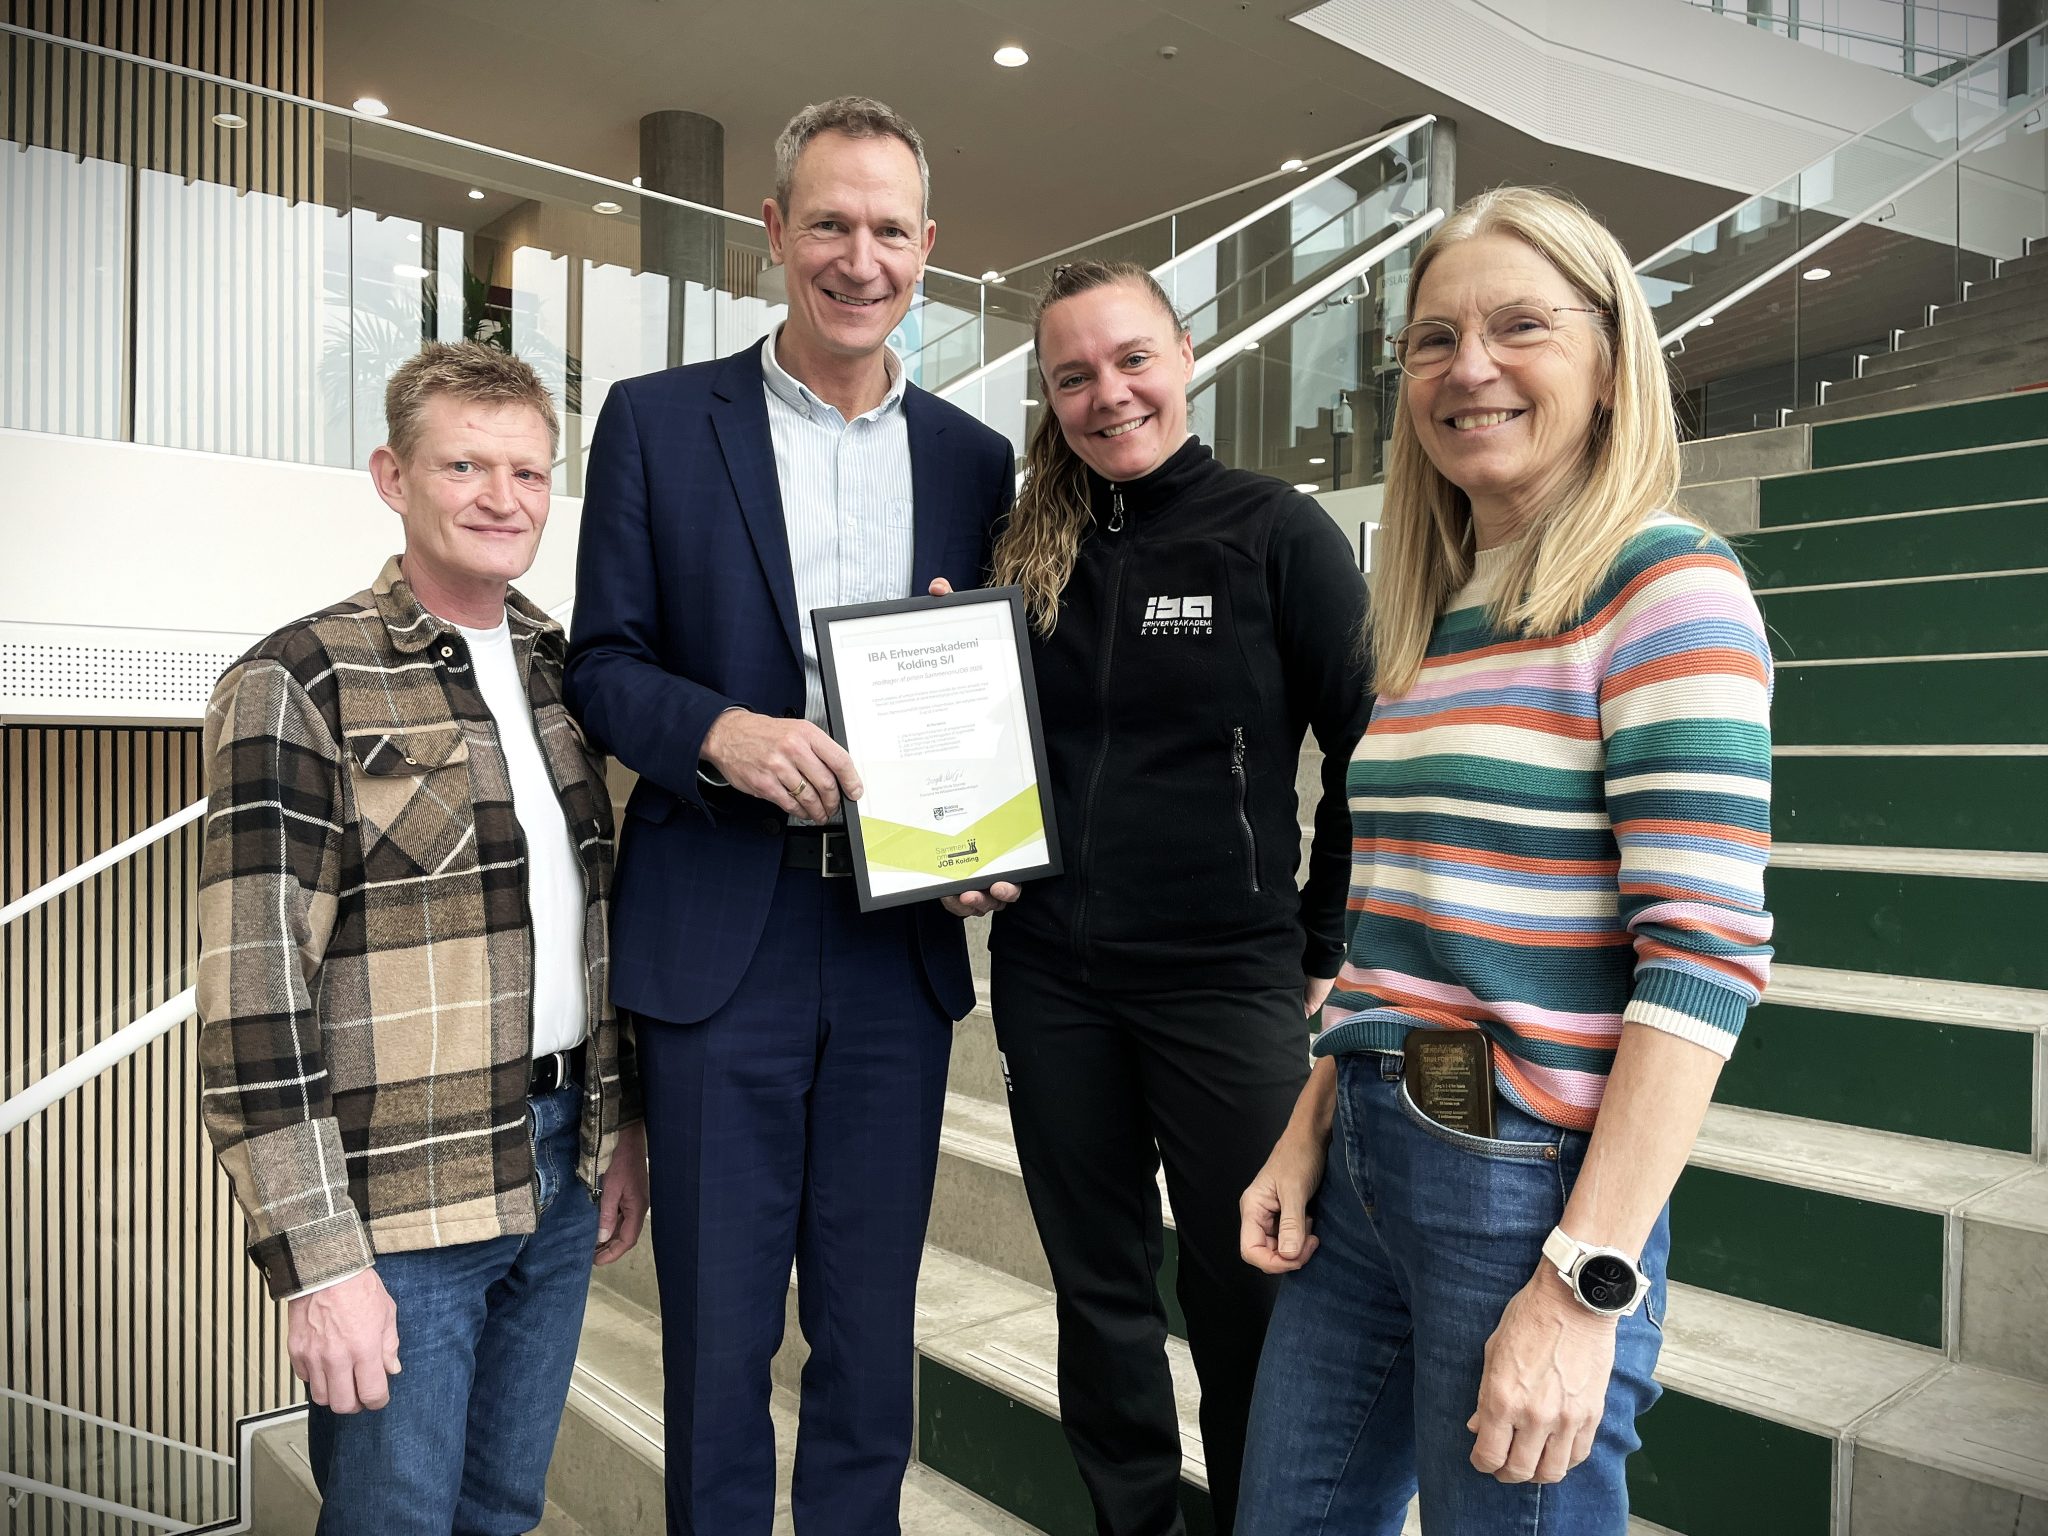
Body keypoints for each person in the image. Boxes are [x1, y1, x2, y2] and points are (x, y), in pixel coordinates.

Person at [1234, 186, 1775, 1534]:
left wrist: (1582, 1286)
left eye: (1519, 326)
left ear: (1607, 361)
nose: (1469, 367)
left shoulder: (1669, 592)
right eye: (1434, 338)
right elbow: (1397, 933)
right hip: (1371, 1149)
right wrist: (1310, 1132)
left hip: (1525, 1193)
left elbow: (1702, 966)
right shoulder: (1430, 613)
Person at [563, 97, 1015, 1536]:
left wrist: (983, 830)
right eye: (828, 222)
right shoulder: (655, 423)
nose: (858, 256)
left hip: (895, 942)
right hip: (721, 942)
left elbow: (1002, 689)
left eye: (889, 228)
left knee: (871, 1341)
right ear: (773, 234)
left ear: (929, 250)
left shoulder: (974, 461)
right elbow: (602, 666)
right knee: (715, 1339)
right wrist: (721, 733)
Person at [196, 341, 648, 1536]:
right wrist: (320, 1261)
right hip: (399, 1205)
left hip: (558, 1168)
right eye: (465, 466)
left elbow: (598, 921)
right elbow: (251, 1002)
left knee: (501, 1512)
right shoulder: (300, 680)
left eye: (529, 473)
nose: (503, 499)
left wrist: (623, 1125)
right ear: (393, 477)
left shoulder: (571, 675)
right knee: (393, 1522)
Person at [975, 259, 1371, 1535]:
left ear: (1186, 354)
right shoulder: (1025, 553)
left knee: (1247, 1289)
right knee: (1097, 1293)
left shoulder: (1274, 531)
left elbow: (1370, 750)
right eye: (1073, 374)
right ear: (1048, 391)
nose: (1107, 393)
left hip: (1223, 978)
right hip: (1052, 979)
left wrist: (1321, 937)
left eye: (1130, 358)